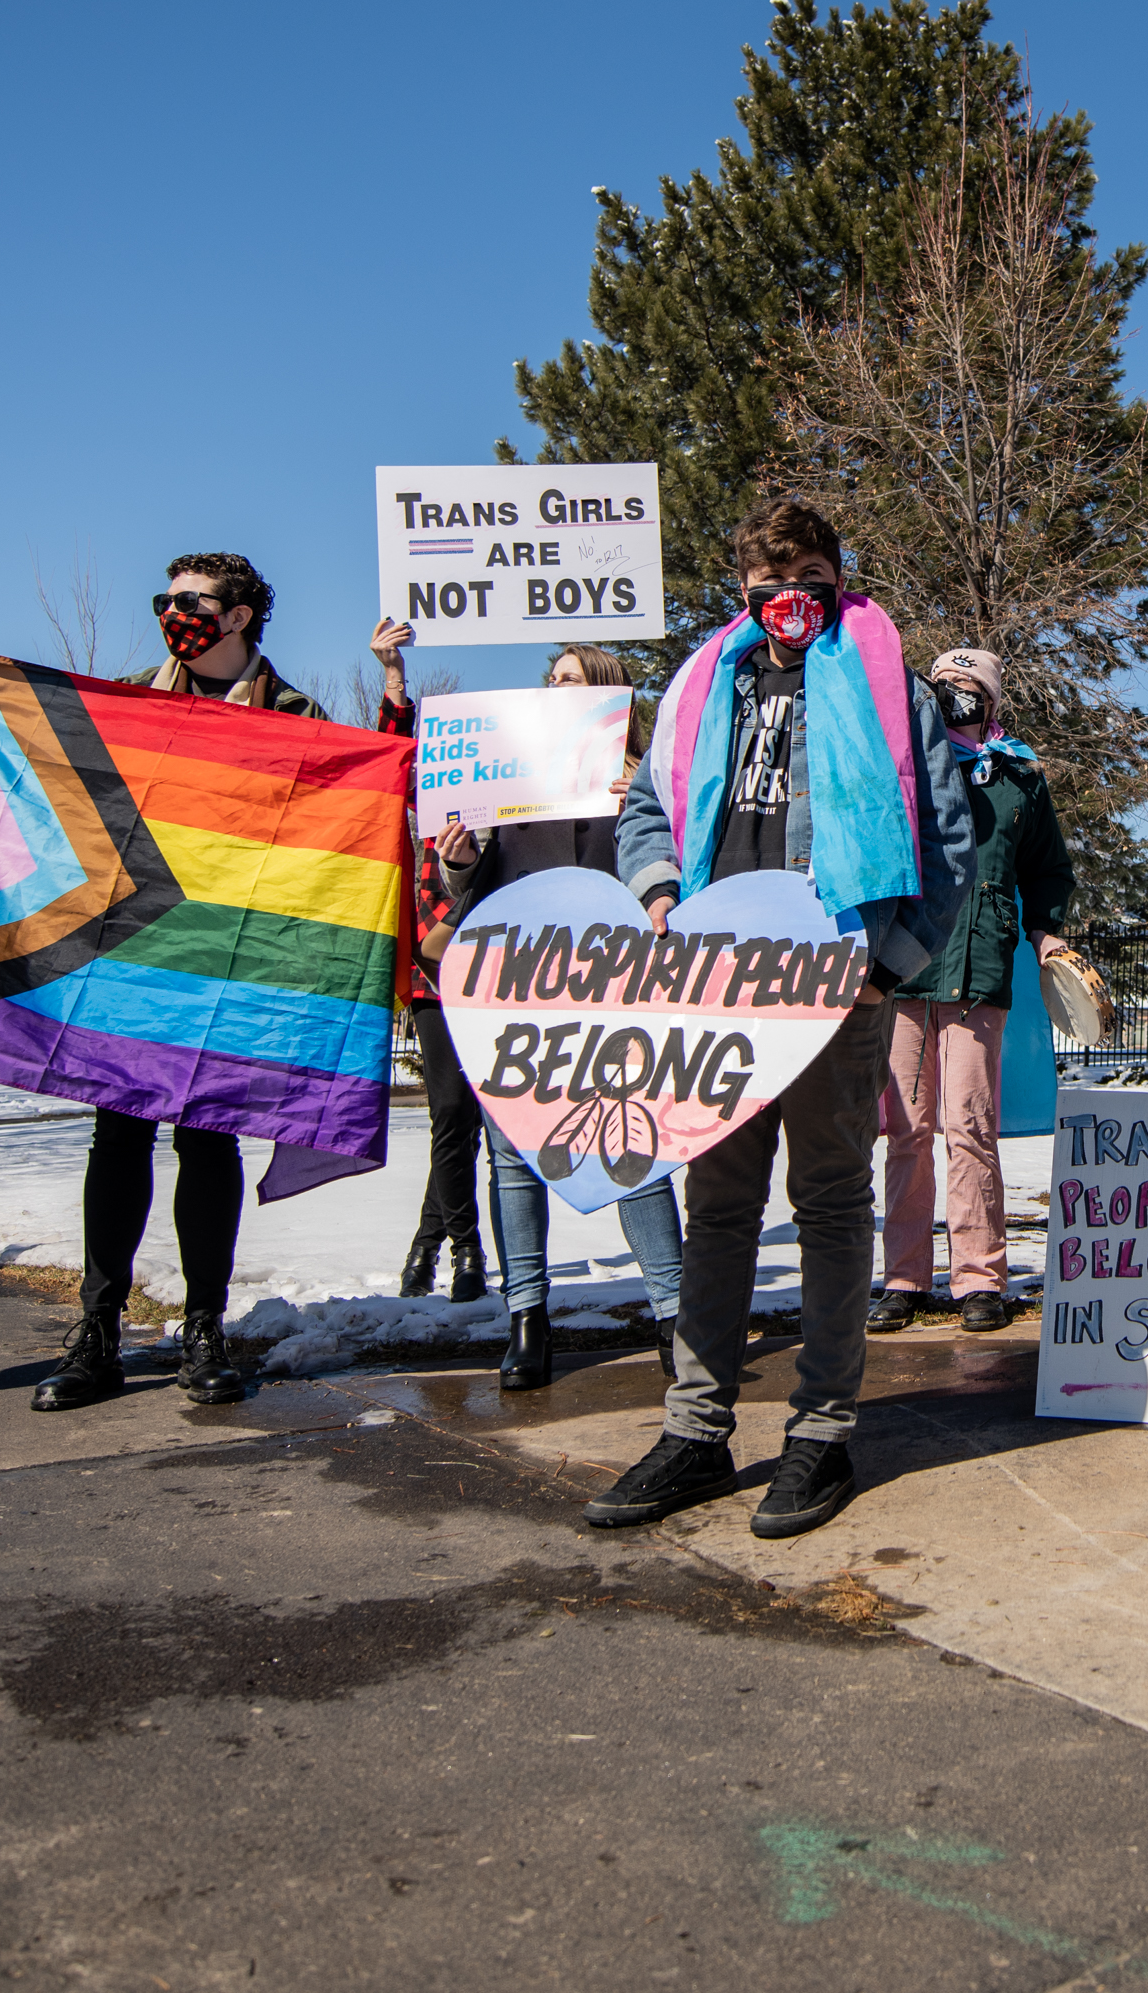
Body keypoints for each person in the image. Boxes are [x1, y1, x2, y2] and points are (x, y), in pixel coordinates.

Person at [591, 499, 977, 1541]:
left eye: (804, 579)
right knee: (715, 1208)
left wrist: (886, 968)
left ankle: (820, 1433)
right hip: (720, 991)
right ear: (742, 591)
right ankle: (695, 1429)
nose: (783, 602)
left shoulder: (885, 682)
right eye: (765, 585)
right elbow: (644, 811)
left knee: (830, 1207)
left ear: (834, 582)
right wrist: (661, 893)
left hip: (835, 986)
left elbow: (949, 841)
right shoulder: (701, 681)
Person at [23, 557, 329, 1413]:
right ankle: (97, 1331)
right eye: (165, 600)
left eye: (189, 601)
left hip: (231, 961)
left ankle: (204, 1327)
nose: (170, 613)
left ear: (237, 617)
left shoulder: (298, 717)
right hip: (135, 951)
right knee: (116, 1140)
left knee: (209, 1140)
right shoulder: (122, 699)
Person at [434, 643, 689, 1391]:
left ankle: (674, 1317)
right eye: (549, 679)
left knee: (631, 1144)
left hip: (611, 984)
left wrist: (644, 807)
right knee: (513, 1153)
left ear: (605, 694)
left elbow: (679, 872)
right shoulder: (508, 774)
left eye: (569, 680)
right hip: (515, 981)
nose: (552, 689)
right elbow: (473, 886)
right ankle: (526, 1321)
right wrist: (459, 856)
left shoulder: (645, 775)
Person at [874, 648, 1077, 1335]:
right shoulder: (904, 766)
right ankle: (903, 1277)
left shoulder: (1020, 778)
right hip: (901, 968)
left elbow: (1049, 867)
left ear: (992, 701)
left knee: (970, 1125)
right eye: (945, 685)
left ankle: (979, 1277)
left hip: (977, 968)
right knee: (905, 1128)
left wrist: (1048, 932)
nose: (956, 694)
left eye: (969, 686)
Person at [367, 620, 492, 1313]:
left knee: (465, 1117)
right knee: (449, 1106)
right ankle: (465, 1247)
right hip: (430, 968)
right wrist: (394, 679)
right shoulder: (414, 791)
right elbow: (387, 753)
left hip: (502, 969)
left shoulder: (503, 795)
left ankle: (426, 1237)